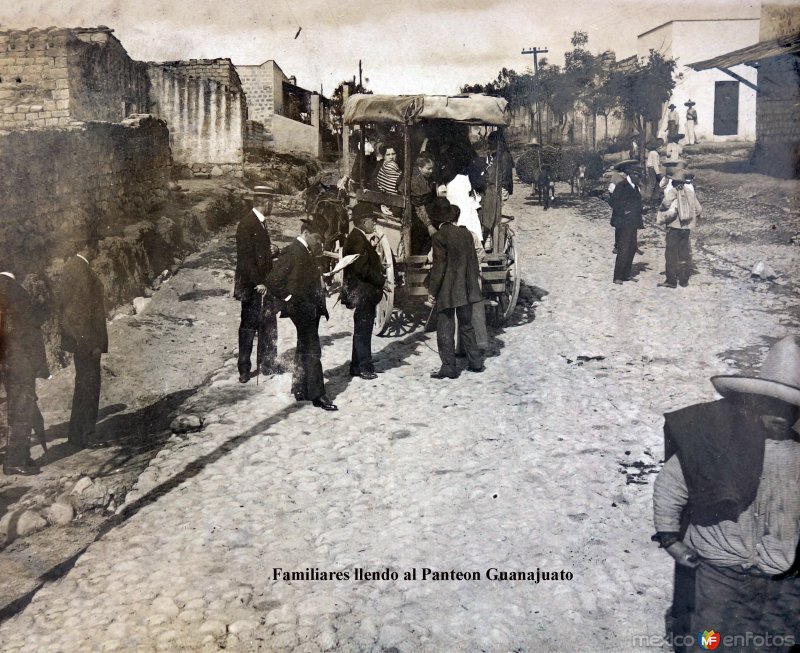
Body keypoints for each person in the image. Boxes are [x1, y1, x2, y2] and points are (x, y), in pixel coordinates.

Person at [652, 335, 800, 650]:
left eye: (790, 408)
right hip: (719, 568)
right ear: (756, 401)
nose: (780, 415)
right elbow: (672, 483)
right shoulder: (719, 440)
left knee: (770, 641)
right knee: (711, 638)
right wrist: (670, 539)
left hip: (779, 575)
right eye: (772, 404)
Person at [267, 228, 336, 411]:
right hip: (302, 309)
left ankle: (300, 388)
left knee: (304, 347)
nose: (319, 243)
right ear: (306, 232)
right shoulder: (293, 250)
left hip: (308, 308)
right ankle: (318, 395)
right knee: (313, 350)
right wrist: (289, 298)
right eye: (317, 238)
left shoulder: (304, 250)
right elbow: (273, 280)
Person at [60, 236, 108, 447]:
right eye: (95, 245)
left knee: (83, 386)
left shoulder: (73, 267)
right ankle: (87, 435)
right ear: (87, 246)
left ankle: (75, 434)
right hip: (87, 342)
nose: (97, 250)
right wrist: (91, 343)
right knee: (89, 387)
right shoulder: (80, 270)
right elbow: (79, 312)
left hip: (81, 340)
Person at [428, 198, 484, 379]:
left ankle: (449, 367)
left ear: (438, 220)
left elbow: (439, 268)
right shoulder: (466, 234)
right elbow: (474, 262)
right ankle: (475, 362)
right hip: (466, 288)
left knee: (445, 327)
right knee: (467, 325)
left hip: (447, 290)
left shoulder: (439, 237)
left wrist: (432, 292)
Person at [0, 271, 49, 475]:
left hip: (11, 361)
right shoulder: (12, 289)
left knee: (18, 410)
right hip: (20, 362)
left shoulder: (5, 289)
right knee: (22, 410)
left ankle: (20, 455)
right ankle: (15, 461)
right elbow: (25, 330)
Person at [234, 186, 280, 383]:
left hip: (263, 284)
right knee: (249, 326)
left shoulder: (260, 223)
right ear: (265, 202)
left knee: (268, 324)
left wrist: (272, 252)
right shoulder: (247, 225)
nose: (273, 205)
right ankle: (244, 369)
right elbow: (246, 260)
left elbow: (259, 254)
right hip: (253, 286)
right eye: (272, 202)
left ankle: (267, 364)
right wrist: (258, 282)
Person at [342, 203, 386, 381]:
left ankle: (356, 366)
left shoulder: (356, 237)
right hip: (363, 293)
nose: (374, 223)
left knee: (362, 328)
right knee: (363, 329)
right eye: (372, 220)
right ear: (363, 221)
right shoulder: (358, 240)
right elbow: (362, 269)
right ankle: (364, 367)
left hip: (361, 292)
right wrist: (383, 281)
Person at [656, 169, 701, 288]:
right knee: (684, 253)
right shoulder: (691, 192)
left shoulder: (673, 191)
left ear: (675, 182)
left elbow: (665, 204)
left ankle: (671, 280)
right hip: (686, 228)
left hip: (674, 227)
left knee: (671, 254)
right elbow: (699, 209)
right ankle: (684, 280)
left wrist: (663, 214)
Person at [469, 131, 513, 249]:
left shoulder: (504, 156)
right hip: (491, 188)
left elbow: (504, 175)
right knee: (485, 213)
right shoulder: (495, 155)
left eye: (492, 143)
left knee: (491, 215)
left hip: (498, 189)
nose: (490, 145)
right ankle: (486, 239)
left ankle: (488, 240)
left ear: (498, 143)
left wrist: (503, 188)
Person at [608, 162, 644, 285]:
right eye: (637, 175)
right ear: (631, 174)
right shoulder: (622, 186)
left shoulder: (635, 187)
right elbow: (612, 201)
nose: (639, 178)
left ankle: (626, 274)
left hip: (633, 223)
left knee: (632, 248)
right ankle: (617, 276)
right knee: (623, 249)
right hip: (623, 222)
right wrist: (624, 210)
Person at [407, 154, 438, 254]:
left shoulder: (424, 177)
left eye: (432, 169)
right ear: (420, 168)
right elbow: (419, 207)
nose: (431, 171)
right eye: (428, 169)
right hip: (417, 214)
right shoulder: (415, 181)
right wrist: (429, 225)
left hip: (424, 210)